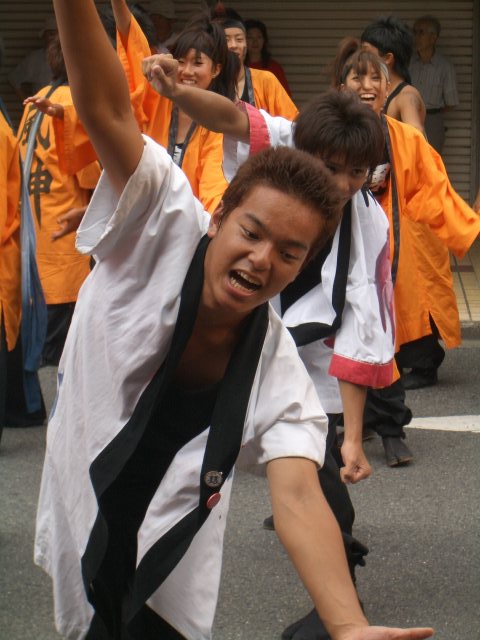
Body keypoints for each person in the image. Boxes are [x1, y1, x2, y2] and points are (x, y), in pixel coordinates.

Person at [36, 3, 437, 640]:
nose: (262, 259)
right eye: (251, 233)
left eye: (289, 253)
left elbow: (298, 493)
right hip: (83, 494)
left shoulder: (274, 363)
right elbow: (108, 109)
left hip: (170, 551)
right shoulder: (162, 222)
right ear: (220, 216)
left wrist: (347, 624)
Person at [331, 39, 480, 462]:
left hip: (385, 258)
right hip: (337, 256)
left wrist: (467, 230)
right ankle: (343, 427)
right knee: (337, 342)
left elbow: (435, 191)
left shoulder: (404, 139)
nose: (366, 85)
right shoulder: (326, 132)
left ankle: (391, 428)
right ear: (342, 86)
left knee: (384, 340)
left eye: (375, 78)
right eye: (357, 77)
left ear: (386, 87)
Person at [18, 33, 100, 366]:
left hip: (35, 239)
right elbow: (92, 178)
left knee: (38, 350)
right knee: (60, 360)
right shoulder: (78, 104)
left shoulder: (37, 99)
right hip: (66, 245)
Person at [216, 7, 298, 118]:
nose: (233, 45)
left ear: (245, 44)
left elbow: (291, 121)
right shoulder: (208, 81)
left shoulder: (266, 79)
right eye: (226, 40)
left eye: (239, 39)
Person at [360, 16, 425, 133]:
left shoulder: (406, 98)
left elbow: (416, 133)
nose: (360, 58)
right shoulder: (378, 92)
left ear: (388, 58)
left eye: (367, 52)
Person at [409, 15, 459, 154]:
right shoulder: (408, 63)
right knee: (408, 158)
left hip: (432, 120)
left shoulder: (444, 67)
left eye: (421, 33)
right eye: (415, 32)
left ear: (433, 38)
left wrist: (431, 111)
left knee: (431, 160)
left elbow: (451, 103)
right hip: (408, 117)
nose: (416, 37)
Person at [8, 16, 57, 101]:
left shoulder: (72, 58)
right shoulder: (35, 59)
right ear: (44, 36)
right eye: (51, 34)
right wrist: (27, 104)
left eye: (57, 34)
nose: (54, 38)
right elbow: (14, 79)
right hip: (42, 107)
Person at [245, 18, 292, 96]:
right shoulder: (237, 67)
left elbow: (285, 96)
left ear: (264, 40)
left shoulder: (274, 67)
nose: (255, 42)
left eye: (259, 37)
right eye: (250, 37)